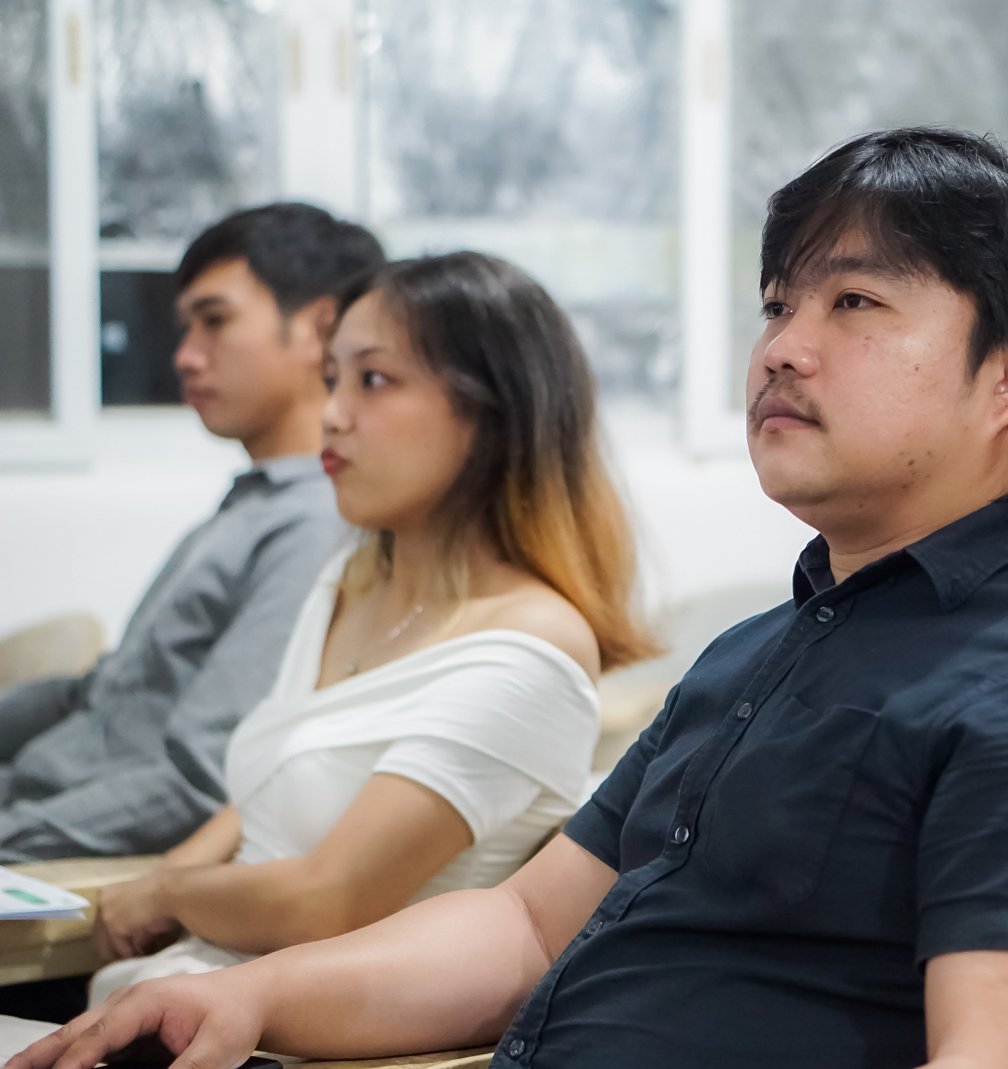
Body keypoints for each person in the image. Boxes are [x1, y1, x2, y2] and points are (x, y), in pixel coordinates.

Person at [12, 128, 1008, 1069]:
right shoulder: (760, 652)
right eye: (778, 305)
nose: (781, 346)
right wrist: (246, 996)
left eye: (855, 303)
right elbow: (521, 932)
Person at [73, 251, 655, 1012]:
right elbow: (281, 779)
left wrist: (170, 893)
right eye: (332, 377)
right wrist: (154, 885)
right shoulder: (347, 582)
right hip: (185, 990)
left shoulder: (532, 647)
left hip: (301, 1030)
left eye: (373, 380)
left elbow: (329, 901)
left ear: (491, 412)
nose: (333, 413)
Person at [0, 204, 383, 862]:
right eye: (185, 328)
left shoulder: (316, 523)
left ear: (321, 330)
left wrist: (11, 835)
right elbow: (99, 691)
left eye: (215, 320)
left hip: (62, 845)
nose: (184, 356)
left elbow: (200, 780)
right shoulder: (248, 508)